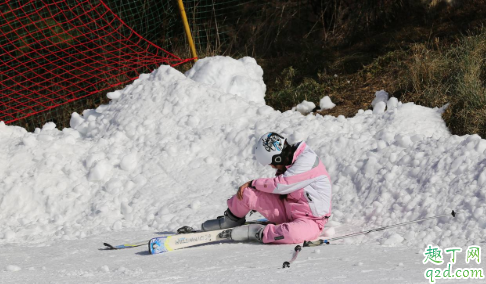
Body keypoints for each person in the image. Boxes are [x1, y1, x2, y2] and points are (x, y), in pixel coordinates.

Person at [201, 132, 332, 244]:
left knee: (294, 234)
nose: (273, 167)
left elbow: (282, 184)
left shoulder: (307, 160)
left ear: (279, 157)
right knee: (247, 193)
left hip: (311, 221)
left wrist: (254, 182)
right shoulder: (289, 162)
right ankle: (231, 220)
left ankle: (258, 232)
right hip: (287, 211)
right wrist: (252, 187)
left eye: (273, 164)